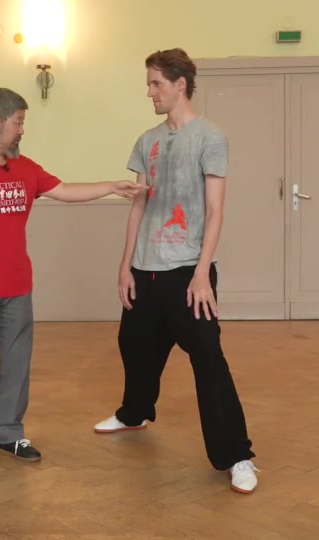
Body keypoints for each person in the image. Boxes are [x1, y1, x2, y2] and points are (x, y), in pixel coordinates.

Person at [0, 88, 147, 469]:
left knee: (17, 364)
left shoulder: (25, 168)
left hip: (17, 287)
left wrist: (111, 186)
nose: (22, 130)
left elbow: (64, 190)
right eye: (18, 122)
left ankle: (10, 433)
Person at [92, 49, 259, 494]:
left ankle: (236, 455)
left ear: (180, 85)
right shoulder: (147, 140)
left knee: (208, 359)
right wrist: (125, 265)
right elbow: (138, 206)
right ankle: (134, 414)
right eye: (149, 84)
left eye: (156, 84)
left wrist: (202, 272)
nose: (150, 92)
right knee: (133, 345)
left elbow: (216, 211)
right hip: (144, 269)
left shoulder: (211, 138)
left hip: (187, 272)